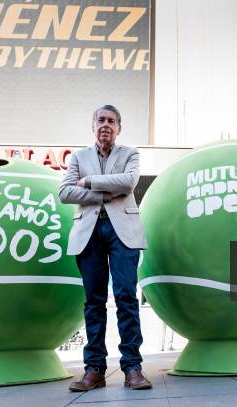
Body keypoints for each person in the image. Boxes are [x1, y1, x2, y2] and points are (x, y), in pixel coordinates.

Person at [59, 105, 151, 391]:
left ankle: (132, 368)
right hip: (89, 233)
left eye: (111, 121)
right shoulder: (78, 156)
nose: (105, 125)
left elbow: (128, 182)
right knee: (94, 302)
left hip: (122, 232)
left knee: (126, 297)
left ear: (119, 128)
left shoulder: (130, 154)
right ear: (93, 125)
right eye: (101, 120)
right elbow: (64, 192)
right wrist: (107, 190)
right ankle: (94, 369)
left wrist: (87, 182)